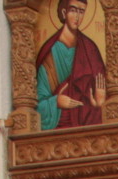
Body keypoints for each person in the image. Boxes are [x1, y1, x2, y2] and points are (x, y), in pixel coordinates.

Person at [36, 0, 106, 130]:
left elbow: (102, 94)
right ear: (64, 12)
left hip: (87, 126)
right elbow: (38, 104)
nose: (77, 17)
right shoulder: (49, 53)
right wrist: (56, 101)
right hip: (57, 129)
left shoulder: (90, 49)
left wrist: (99, 104)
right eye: (73, 10)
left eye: (81, 12)